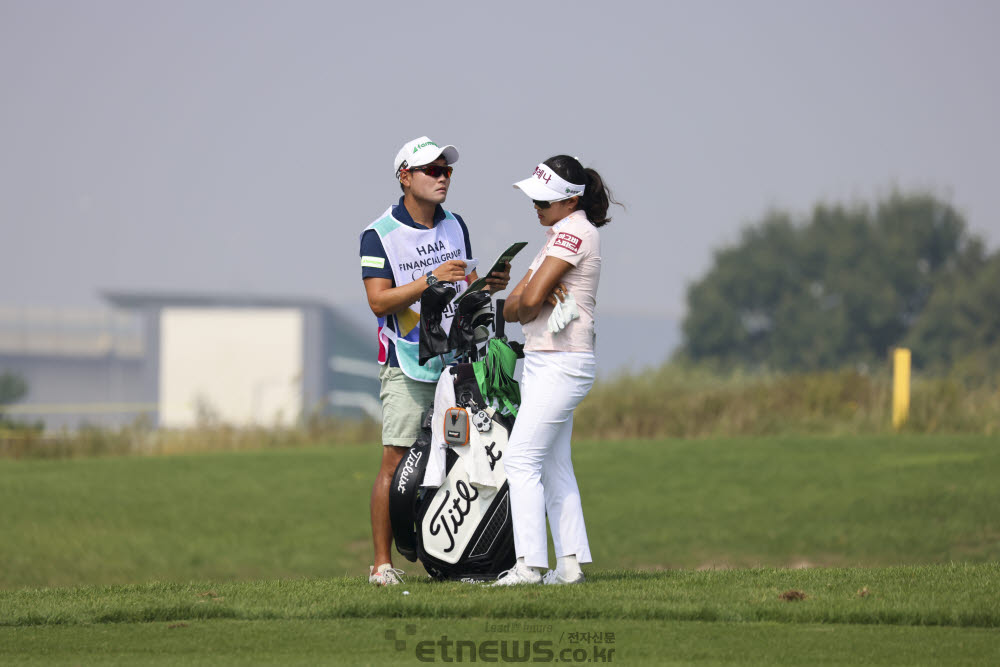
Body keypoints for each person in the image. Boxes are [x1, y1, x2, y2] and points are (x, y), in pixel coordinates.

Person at [359, 136, 510, 585]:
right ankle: (382, 566)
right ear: (405, 177)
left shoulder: (455, 224)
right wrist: (428, 281)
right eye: (432, 170)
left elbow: (464, 286)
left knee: (462, 456)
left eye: (447, 170)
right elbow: (377, 301)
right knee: (397, 458)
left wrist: (489, 284)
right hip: (407, 363)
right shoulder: (378, 233)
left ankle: (457, 560)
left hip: (457, 361)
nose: (443, 177)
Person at [494, 155, 618, 585]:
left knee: (521, 460)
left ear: (570, 199)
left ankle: (528, 566)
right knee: (552, 464)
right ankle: (569, 567)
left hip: (562, 363)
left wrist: (533, 297)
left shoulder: (575, 233)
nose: (536, 205)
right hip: (547, 361)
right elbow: (512, 306)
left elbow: (526, 303)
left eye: (543, 199)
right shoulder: (556, 234)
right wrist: (533, 297)